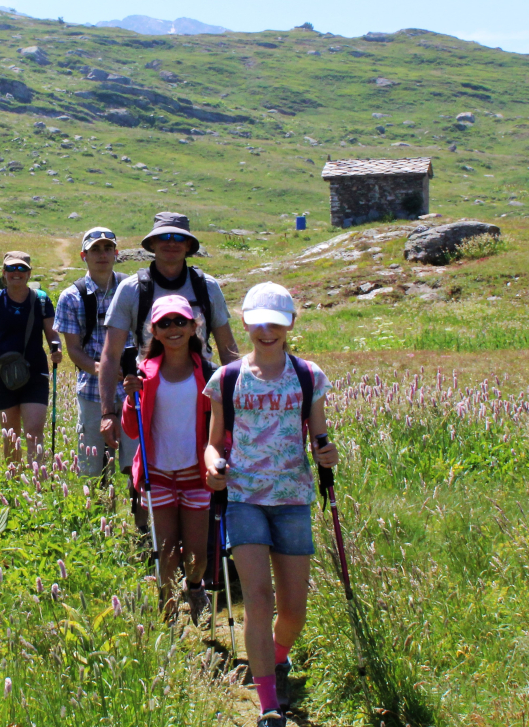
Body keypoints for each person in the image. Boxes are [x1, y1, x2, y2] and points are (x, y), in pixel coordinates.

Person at [203, 282, 337, 727]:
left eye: (276, 324)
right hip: (243, 499)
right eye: (259, 323)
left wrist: (326, 452)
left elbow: (318, 431)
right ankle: (268, 706)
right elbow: (213, 442)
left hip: (293, 499)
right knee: (259, 599)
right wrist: (213, 466)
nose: (267, 331)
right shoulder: (225, 379)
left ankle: (277, 658)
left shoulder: (308, 375)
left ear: (290, 325)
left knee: (294, 610)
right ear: (245, 323)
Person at [98, 212, 240, 452]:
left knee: (204, 477)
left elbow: (228, 351)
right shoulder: (131, 289)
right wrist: (107, 413)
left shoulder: (207, 287)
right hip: (147, 398)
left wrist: (236, 404)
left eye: (178, 237)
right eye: (164, 237)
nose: (171, 242)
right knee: (144, 477)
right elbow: (111, 355)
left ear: (188, 245)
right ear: (152, 244)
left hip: (202, 398)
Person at [121, 295, 217, 621]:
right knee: (165, 552)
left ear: (194, 326)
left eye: (179, 321)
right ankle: (168, 613)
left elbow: (220, 424)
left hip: (196, 474)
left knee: (196, 556)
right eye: (165, 323)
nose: (173, 328)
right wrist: (130, 397)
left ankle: (194, 585)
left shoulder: (208, 373)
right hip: (157, 473)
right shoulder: (144, 373)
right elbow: (131, 430)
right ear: (155, 331)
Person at [54, 226, 126, 478]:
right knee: (91, 466)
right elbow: (73, 348)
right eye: (95, 249)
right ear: (84, 256)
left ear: (116, 253)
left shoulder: (132, 289)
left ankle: (136, 515)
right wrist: (102, 370)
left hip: (132, 388)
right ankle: (95, 511)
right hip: (93, 390)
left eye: (108, 248)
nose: (102, 254)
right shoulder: (71, 297)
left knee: (135, 464)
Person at [0, 251, 62, 463]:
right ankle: (13, 485)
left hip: (35, 373)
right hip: (3, 374)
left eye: (21, 269)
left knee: (34, 434)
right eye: (11, 269)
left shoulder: (41, 300)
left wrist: (57, 349)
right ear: (4, 272)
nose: (17, 273)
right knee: (11, 437)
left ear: (29, 273)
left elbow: (52, 333)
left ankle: (39, 487)